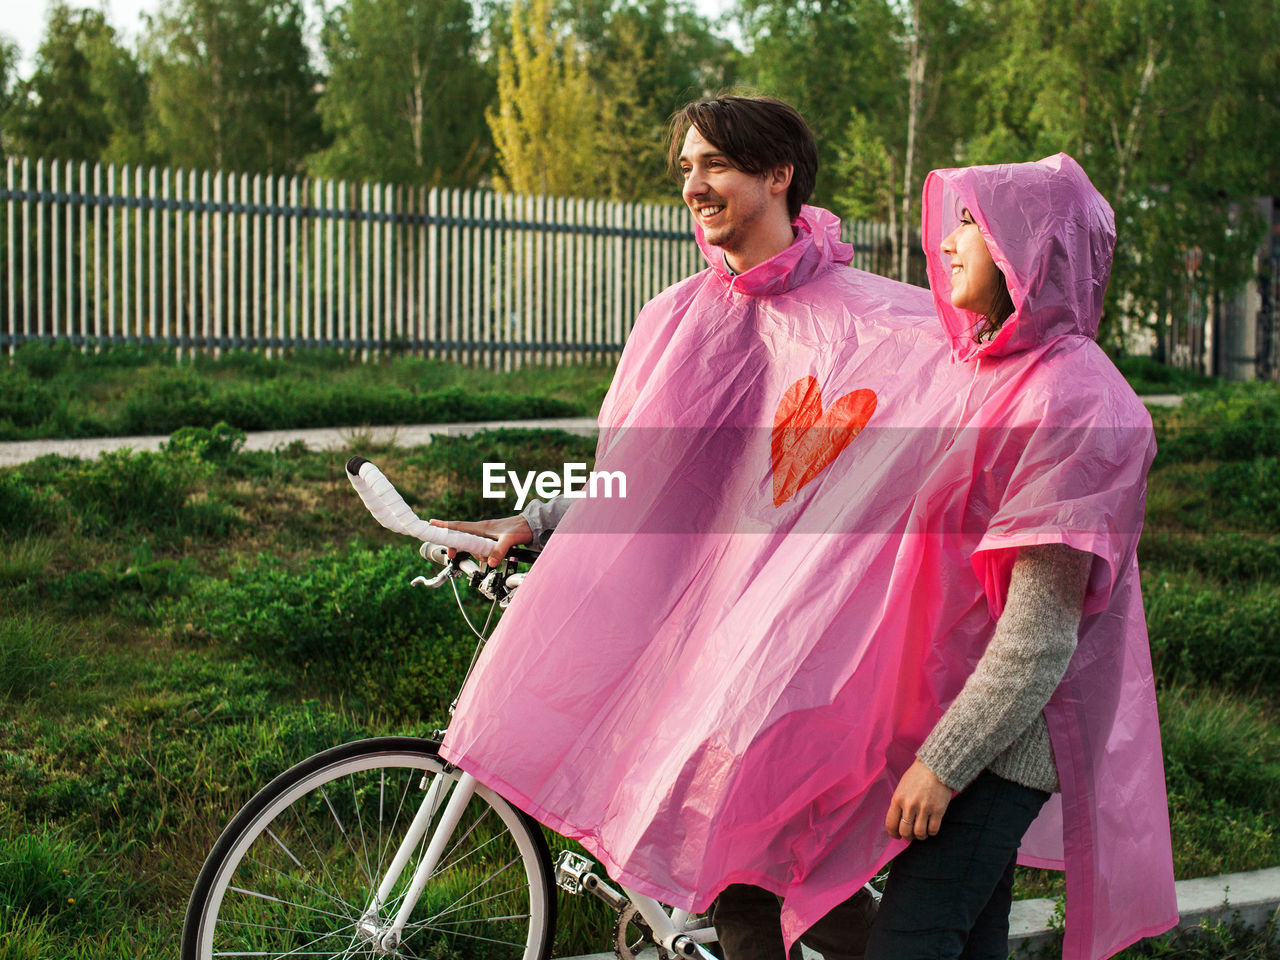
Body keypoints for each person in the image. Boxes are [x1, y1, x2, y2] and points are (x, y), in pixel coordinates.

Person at [434, 106, 1177, 960]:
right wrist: (535, 514)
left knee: (872, 921)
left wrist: (941, 754)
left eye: (714, 163)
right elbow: (654, 478)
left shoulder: (927, 343)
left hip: (904, 696)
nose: (692, 185)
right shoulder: (694, 318)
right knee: (762, 899)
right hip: (773, 674)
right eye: (686, 166)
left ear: (778, 173)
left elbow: (1026, 606)